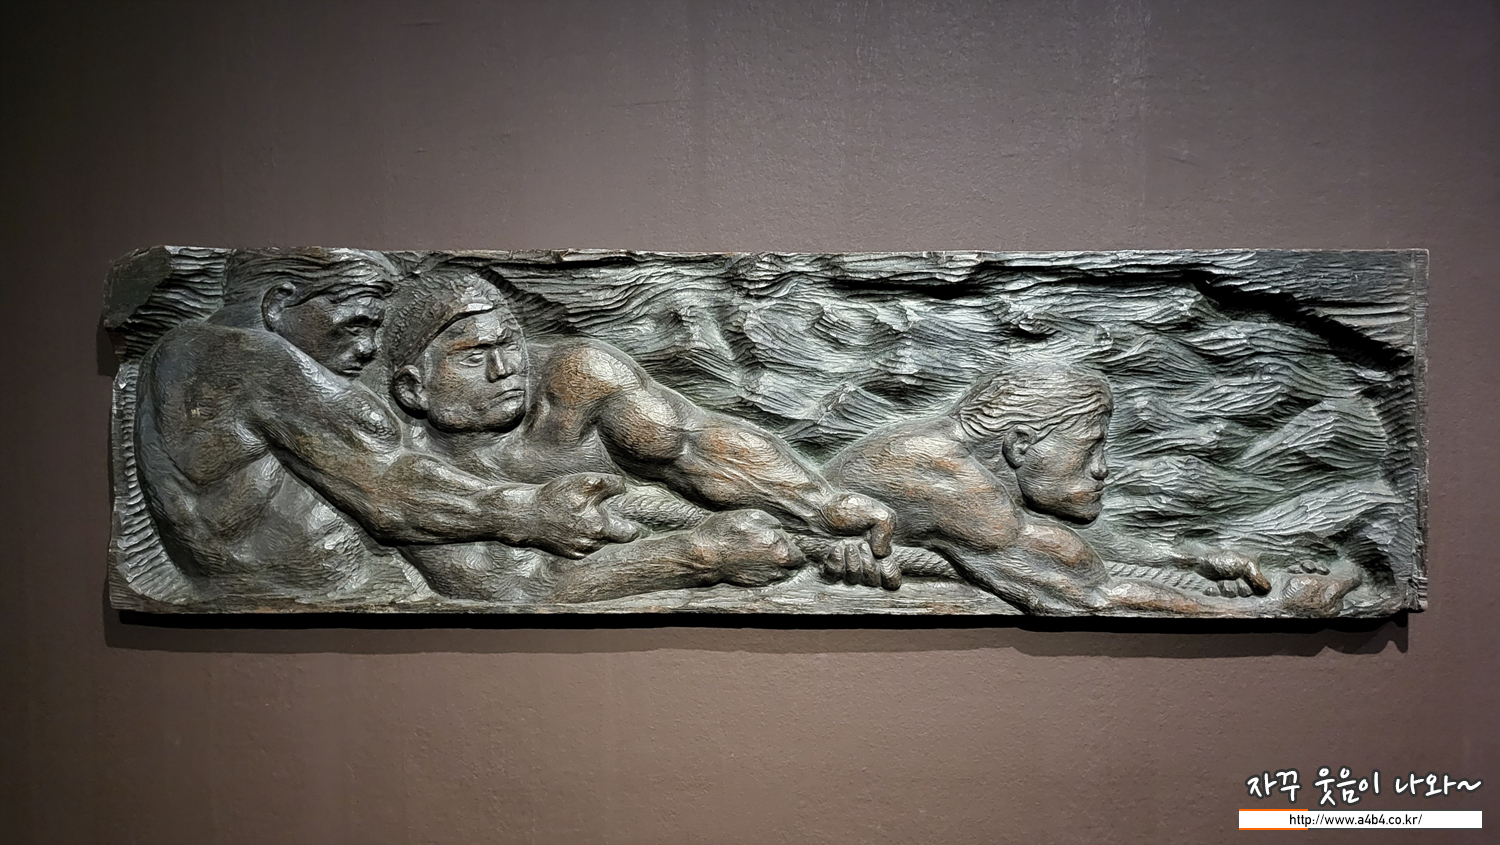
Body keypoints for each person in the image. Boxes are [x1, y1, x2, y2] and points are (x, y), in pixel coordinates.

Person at [135, 248, 641, 601]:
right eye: (357, 322)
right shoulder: (242, 359)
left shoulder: (196, 359)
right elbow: (390, 493)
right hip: (296, 600)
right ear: (278, 304)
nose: (369, 347)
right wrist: (529, 512)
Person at [379, 264, 899, 602]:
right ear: (412, 389)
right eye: (473, 357)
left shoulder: (577, 379)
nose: (505, 370)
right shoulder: (403, 473)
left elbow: (694, 444)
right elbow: (516, 586)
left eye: (508, 344)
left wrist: (820, 507)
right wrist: (701, 556)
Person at [824, 361, 1358, 615]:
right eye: (1091, 447)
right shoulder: (948, 480)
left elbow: (1080, 548)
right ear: (1021, 444)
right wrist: (1275, 606)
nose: (1103, 469)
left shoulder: (961, 464)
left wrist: (1195, 560)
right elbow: (1086, 594)